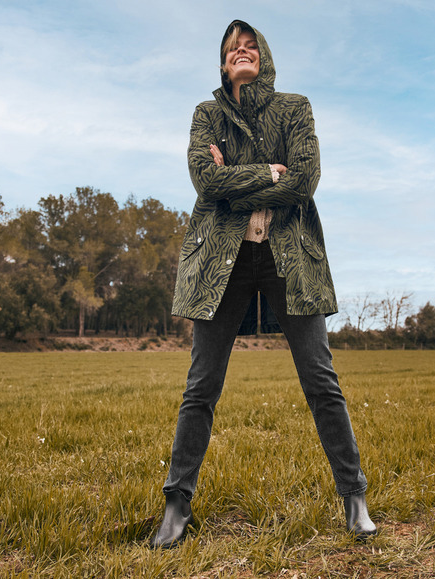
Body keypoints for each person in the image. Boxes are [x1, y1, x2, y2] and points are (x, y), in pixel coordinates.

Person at [150, 19, 376, 549]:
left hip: (288, 257)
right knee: (201, 387)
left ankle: (354, 498)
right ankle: (176, 504)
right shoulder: (207, 115)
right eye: (234, 47)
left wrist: (237, 183)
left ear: (265, 56)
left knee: (321, 381)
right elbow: (205, 181)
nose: (243, 51)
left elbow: (306, 179)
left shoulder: (294, 108)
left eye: (251, 45)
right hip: (222, 262)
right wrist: (270, 173)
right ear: (223, 62)